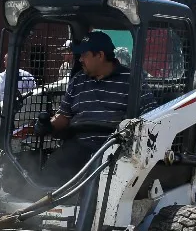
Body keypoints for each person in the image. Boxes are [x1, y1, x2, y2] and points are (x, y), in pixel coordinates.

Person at [37, 31, 157, 184]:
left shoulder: (132, 80)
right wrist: (47, 125)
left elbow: (151, 114)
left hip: (115, 148)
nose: (80, 59)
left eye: (84, 55)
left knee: (98, 182)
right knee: (52, 168)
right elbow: (64, 116)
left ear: (100, 55)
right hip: (80, 144)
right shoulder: (78, 80)